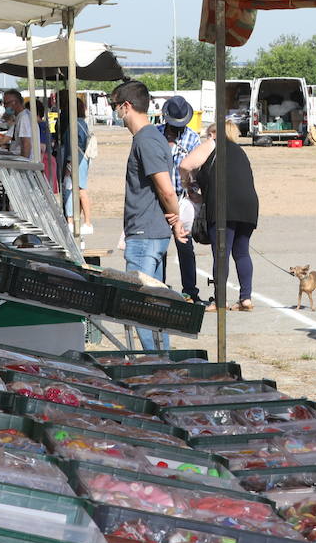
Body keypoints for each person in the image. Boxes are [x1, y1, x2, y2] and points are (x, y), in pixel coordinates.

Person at [111, 80, 186, 351]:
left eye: (115, 106)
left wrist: (176, 220)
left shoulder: (146, 140)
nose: (115, 112)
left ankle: (154, 363)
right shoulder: (150, 137)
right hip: (146, 232)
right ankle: (160, 360)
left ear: (127, 106)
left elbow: (167, 189)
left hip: (145, 235)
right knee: (152, 306)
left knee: (139, 306)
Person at [182, 121, 260, 311]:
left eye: (209, 134)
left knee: (221, 255)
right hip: (248, 205)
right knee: (241, 252)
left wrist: (188, 184)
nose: (207, 138)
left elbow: (185, 165)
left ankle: (219, 300)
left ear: (216, 134)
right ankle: (245, 298)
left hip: (224, 206)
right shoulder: (240, 151)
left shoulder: (214, 145)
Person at [159, 95, 204, 304]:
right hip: (158, 201)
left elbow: (197, 169)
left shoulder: (193, 138)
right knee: (159, 247)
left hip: (182, 199)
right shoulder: (155, 134)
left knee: (185, 246)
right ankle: (159, 288)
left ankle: (190, 291)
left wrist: (194, 190)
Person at [55, 96, 94, 235]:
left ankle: (86, 222)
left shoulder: (74, 124)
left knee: (78, 190)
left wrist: (69, 165)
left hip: (76, 160)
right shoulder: (82, 123)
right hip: (82, 159)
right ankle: (78, 220)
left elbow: (74, 145)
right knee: (77, 190)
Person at [0, 89, 34, 159]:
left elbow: (26, 144)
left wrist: (24, 165)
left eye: (6, 103)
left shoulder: (24, 118)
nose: (4, 106)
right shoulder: (21, 116)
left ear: (14, 102)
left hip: (24, 162)